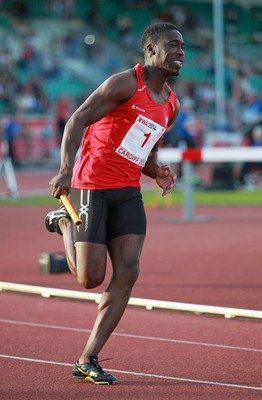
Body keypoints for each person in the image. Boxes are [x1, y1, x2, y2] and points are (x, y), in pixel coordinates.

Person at [45, 22, 184, 384]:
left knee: (129, 271)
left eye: (184, 46)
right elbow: (77, 120)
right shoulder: (125, 83)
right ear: (151, 50)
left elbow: (145, 149)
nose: (182, 51)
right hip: (91, 184)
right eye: (173, 45)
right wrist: (64, 169)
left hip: (127, 191)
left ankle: (87, 358)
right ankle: (64, 223)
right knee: (89, 278)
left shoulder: (171, 105)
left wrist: (157, 172)